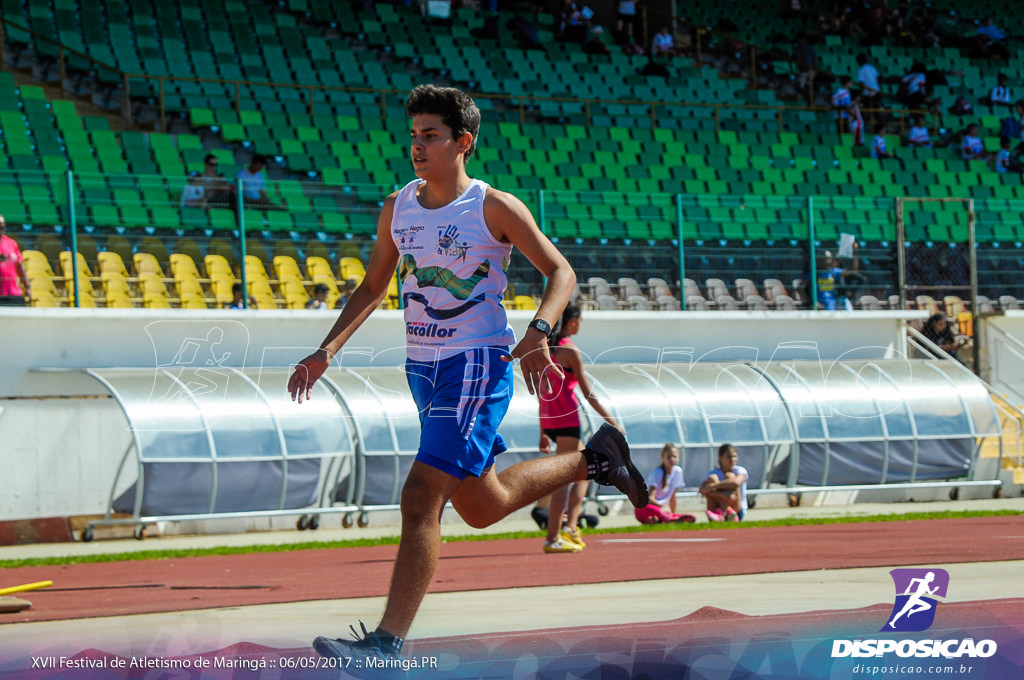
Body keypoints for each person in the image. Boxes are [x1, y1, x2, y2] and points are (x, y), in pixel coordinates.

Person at [287, 84, 648, 667]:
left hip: (477, 362)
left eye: (430, 136)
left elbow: (561, 271)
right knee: (483, 505)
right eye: (413, 136)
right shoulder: (397, 207)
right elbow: (374, 284)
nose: (417, 146)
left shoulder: (493, 207)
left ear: (464, 142)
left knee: (420, 495)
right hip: (422, 369)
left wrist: (540, 332)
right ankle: (596, 459)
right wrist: (325, 350)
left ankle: (384, 645)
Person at [535, 303, 620, 553]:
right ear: (572, 323)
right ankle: (553, 537)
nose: (580, 324)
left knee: (586, 467)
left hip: (551, 419)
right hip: (567, 420)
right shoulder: (570, 351)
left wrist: (543, 430)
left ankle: (571, 526)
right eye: (580, 320)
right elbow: (588, 393)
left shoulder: (546, 350)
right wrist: (612, 422)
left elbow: (542, 392)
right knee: (563, 479)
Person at [635, 443, 696, 524]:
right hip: (645, 508)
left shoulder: (678, 472)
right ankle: (669, 519)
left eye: (674, 456)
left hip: (661, 509)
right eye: (669, 457)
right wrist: (662, 506)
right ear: (662, 457)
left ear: (679, 458)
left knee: (662, 515)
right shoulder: (658, 472)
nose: (672, 459)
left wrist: (672, 512)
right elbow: (650, 498)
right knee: (662, 512)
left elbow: (672, 497)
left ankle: (654, 519)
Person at [699, 444, 748, 522]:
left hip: (737, 509)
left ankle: (724, 513)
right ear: (720, 457)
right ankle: (721, 513)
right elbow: (702, 489)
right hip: (717, 506)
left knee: (730, 476)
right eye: (729, 457)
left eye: (735, 456)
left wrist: (712, 487)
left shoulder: (740, 471)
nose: (733, 459)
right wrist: (727, 496)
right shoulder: (713, 473)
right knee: (712, 478)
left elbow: (735, 483)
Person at [0, 215, 30, 306]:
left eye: (2, 228)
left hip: (13, 293)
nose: (1, 230)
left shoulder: (11, 243)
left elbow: (20, 266)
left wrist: (27, 286)